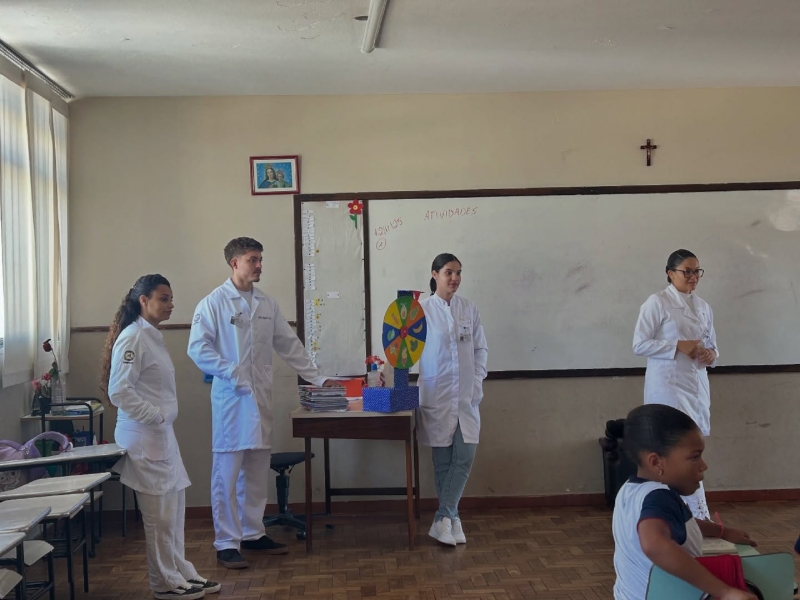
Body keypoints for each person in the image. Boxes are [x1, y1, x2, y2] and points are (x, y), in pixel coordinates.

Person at [187, 237, 340, 569]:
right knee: (226, 475)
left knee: (256, 471)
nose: (259, 265)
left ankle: (253, 534)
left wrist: (317, 378)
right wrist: (231, 371)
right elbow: (198, 349)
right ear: (235, 263)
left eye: (260, 259)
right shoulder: (214, 303)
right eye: (252, 259)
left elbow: (289, 345)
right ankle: (226, 543)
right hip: (231, 401)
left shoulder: (266, 304)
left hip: (260, 401)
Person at [101, 275, 219, 600]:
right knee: (158, 517)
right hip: (144, 436)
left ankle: (181, 572)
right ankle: (164, 583)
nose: (170, 305)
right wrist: (155, 416)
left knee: (174, 511)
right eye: (163, 299)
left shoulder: (151, 336)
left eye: (171, 299)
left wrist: (162, 420)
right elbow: (118, 391)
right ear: (144, 300)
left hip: (161, 435)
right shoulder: (133, 337)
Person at [613, 404, 757, 600]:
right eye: (694, 457)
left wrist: (721, 531)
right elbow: (654, 544)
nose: (703, 465)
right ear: (656, 462)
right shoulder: (660, 496)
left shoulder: (629, 490)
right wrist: (724, 591)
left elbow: (677, 522)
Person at [633, 249, 718, 521]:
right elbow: (639, 344)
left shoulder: (703, 307)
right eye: (687, 272)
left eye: (697, 271)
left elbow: (712, 346)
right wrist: (676, 345)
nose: (693, 277)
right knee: (672, 450)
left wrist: (711, 355)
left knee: (692, 448)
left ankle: (696, 516)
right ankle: (679, 514)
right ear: (670, 274)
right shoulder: (657, 302)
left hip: (695, 386)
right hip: (668, 387)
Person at [417, 253, 488, 546]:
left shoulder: (468, 309)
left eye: (458, 272)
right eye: (449, 272)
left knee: (465, 456)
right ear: (435, 274)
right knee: (443, 462)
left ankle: (442, 517)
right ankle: (451, 520)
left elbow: (480, 349)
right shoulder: (421, 311)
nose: (455, 278)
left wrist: (477, 380)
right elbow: (403, 350)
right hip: (437, 395)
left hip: (466, 397)